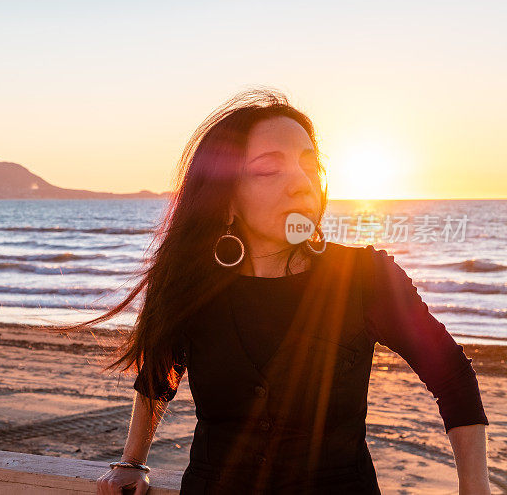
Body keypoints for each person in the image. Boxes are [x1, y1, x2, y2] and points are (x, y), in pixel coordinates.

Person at [60, 89, 490, 494]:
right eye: (270, 168)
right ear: (226, 202)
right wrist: (132, 460)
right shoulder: (191, 284)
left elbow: (452, 377)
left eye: (310, 164)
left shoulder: (364, 276)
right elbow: (158, 375)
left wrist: (475, 489)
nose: (301, 181)